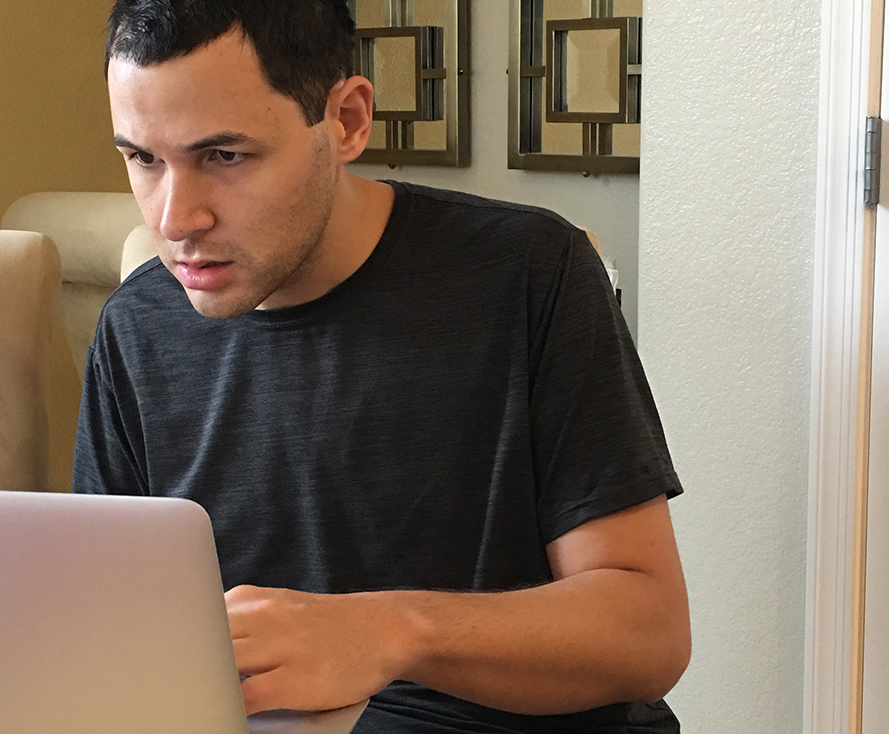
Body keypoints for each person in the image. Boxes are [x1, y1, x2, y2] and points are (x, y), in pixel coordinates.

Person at [72, 1, 691, 732]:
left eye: (224, 157)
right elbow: (111, 626)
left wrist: (390, 632)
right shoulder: (136, 326)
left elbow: (647, 633)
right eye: (143, 158)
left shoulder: (530, 274)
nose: (175, 220)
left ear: (347, 121)